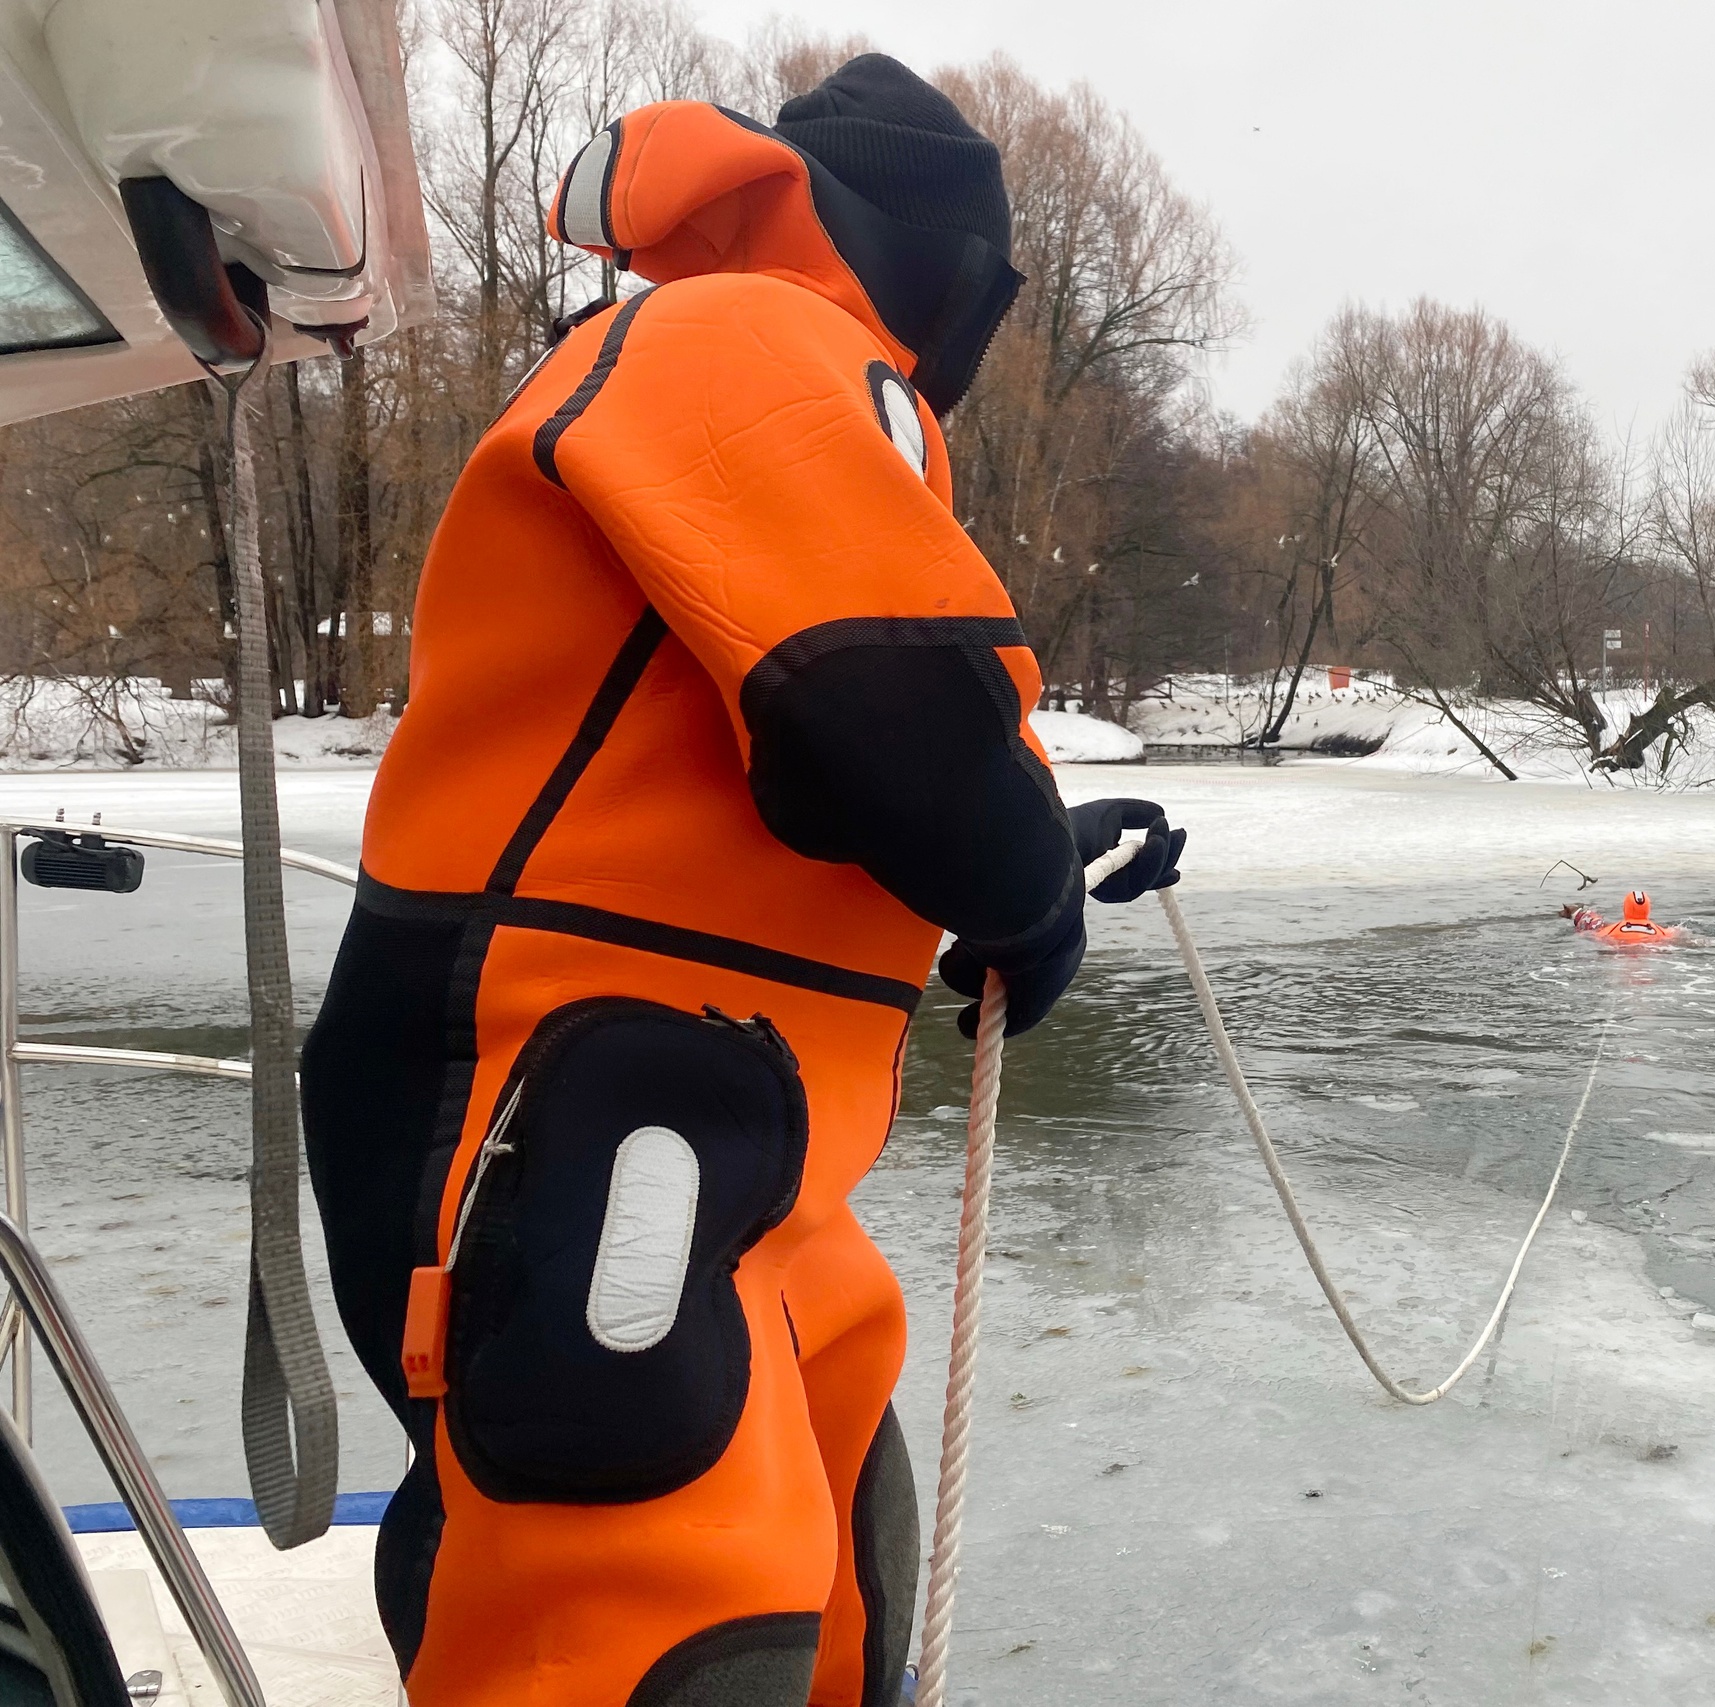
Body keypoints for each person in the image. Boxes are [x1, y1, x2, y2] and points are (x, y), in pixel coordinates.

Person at [298, 59, 1186, 1707]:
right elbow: (877, 706)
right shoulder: (738, 334)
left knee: (835, 1579)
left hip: (719, 1127)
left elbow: (794, 745)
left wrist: (1031, 852)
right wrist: (1017, 884)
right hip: (576, 1101)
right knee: (643, 1614)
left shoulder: (787, 386)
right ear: (944, 261)